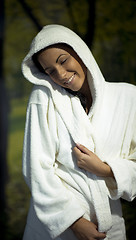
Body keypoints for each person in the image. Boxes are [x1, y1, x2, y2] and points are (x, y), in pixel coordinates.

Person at [21, 24, 136, 240]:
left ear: (79, 51)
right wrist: (72, 221)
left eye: (63, 61)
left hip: (109, 226)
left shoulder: (128, 98)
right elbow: (36, 168)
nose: (61, 75)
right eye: (50, 71)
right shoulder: (45, 97)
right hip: (57, 228)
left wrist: (105, 169)